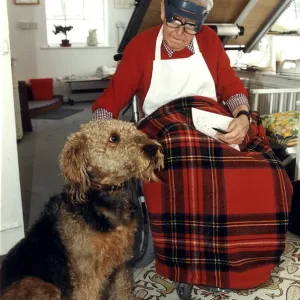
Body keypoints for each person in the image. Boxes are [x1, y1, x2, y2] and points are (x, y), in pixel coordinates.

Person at [92, 0, 293, 290]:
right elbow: (111, 100)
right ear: (163, 11)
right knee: (190, 169)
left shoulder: (209, 41)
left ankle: (243, 260)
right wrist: (98, 135)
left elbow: (231, 86)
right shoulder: (141, 47)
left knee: (263, 169)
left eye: (191, 26)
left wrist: (242, 116)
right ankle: (194, 264)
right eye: (175, 22)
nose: (181, 32)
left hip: (209, 121)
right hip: (166, 127)